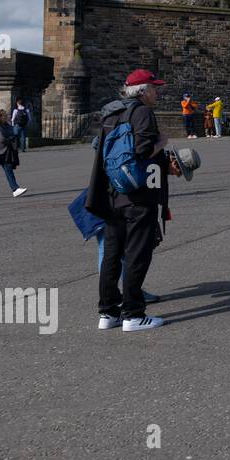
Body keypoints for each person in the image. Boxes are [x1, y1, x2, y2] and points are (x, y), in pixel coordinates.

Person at [87, 68, 182, 331]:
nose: (157, 92)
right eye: (154, 88)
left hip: (111, 194)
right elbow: (142, 150)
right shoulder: (142, 113)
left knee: (112, 255)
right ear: (142, 91)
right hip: (138, 196)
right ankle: (133, 315)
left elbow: (99, 148)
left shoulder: (110, 112)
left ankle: (108, 313)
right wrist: (161, 143)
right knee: (137, 255)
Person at [0, 109, 27, 199]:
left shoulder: (7, 125)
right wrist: (10, 139)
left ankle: (15, 189)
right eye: (5, 116)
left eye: (7, 115)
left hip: (5, 152)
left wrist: (11, 138)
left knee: (9, 171)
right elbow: (1, 139)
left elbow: (13, 133)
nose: (7, 117)